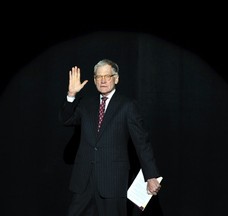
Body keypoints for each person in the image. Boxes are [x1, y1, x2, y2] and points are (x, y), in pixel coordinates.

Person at [59, 59, 161, 216]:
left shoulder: (127, 106)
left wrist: (151, 175)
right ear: (94, 80)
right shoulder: (86, 104)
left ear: (116, 78)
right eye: (99, 77)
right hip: (84, 181)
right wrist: (71, 94)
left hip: (112, 181)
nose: (103, 80)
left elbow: (142, 143)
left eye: (107, 75)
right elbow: (66, 120)